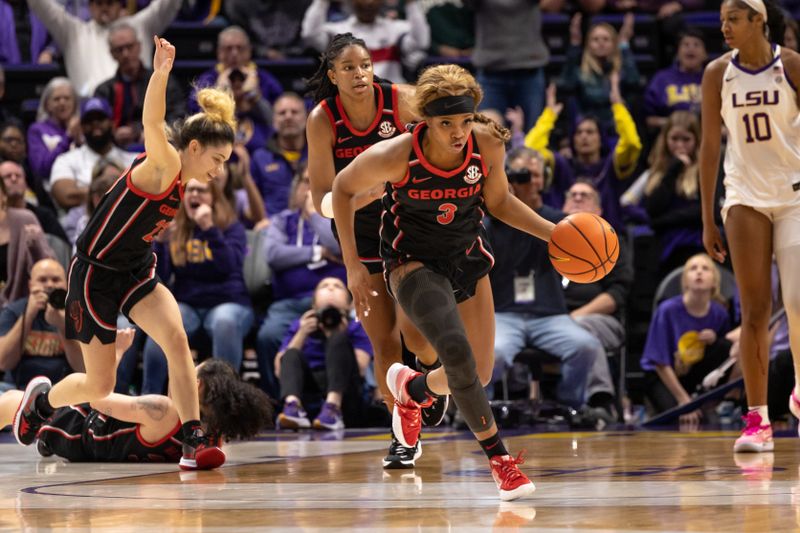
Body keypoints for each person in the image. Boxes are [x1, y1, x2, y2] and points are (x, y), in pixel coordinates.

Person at [11, 36, 230, 471]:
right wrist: (161, 74)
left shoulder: (186, 181)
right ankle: (40, 406)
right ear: (193, 148)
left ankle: (192, 438)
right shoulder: (164, 162)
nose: (219, 170)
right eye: (217, 159)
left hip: (134, 270)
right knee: (99, 381)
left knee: (177, 340)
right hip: (93, 275)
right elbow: (153, 120)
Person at [332, 63, 548, 501]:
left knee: (478, 372)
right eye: (446, 123)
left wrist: (555, 232)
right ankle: (501, 462)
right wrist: (353, 264)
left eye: (465, 121)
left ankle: (411, 389)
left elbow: (501, 202)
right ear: (425, 120)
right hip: (411, 261)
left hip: (466, 257)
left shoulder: (486, 144)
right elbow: (340, 189)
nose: (457, 132)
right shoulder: (397, 154)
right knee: (455, 353)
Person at [305, 33, 435, 469]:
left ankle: (434, 385)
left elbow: (448, 132)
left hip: (408, 229)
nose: (359, 74)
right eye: (348, 68)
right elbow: (322, 201)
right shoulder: (323, 119)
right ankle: (402, 433)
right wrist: (352, 265)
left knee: (414, 333)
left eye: (364, 65)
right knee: (383, 342)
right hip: (358, 237)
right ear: (333, 75)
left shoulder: (401, 100)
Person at [699, 0, 800, 453]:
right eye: (721, 19)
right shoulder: (717, 74)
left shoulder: (792, 65)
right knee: (755, 308)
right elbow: (708, 148)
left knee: (797, 300)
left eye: (733, 18)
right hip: (743, 195)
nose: (724, 27)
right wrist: (707, 215)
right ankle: (758, 420)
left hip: (794, 191)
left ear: (759, 20)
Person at [489, 155, 617, 420]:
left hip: (549, 315)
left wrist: (531, 204)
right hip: (504, 315)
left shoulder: (558, 221)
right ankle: (478, 412)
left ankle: (570, 408)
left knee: (586, 346)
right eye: (521, 176)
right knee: (493, 353)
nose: (528, 182)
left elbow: (583, 243)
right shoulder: (491, 222)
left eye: (534, 176)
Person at [1, 346, 273, 462]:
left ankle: (43, 422)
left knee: (19, 402)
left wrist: (116, 355)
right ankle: (45, 439)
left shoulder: (164, 410)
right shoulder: (211, 440)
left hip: (80, 432)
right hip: (94, 448)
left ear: (197, 384)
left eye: (190, 370)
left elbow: (98, 397)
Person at [141, 177, 253, 394]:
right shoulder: (176, 230)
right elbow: (160, 277)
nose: (194, 195)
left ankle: (223, 400)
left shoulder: (231, 227)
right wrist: (161, 245)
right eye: (189, 190)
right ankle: (150, 398)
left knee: (225, 322)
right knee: (163, 323)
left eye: (201, 190)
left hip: (229, 301)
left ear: (213, 198)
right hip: (188, 304)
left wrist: (209, 229)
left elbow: (229, 266)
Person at [255, 165, 345, 400]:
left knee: (345, 334)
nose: (310, 189)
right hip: (289, 302)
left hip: (334, 300)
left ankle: (339, 403)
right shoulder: (282, 221)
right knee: (268, 336)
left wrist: (315, 214)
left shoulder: (340, 220)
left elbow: (337, 247)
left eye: (317, 184)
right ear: (295, 189)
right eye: (306, 182)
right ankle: (277, 401)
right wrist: (317, 252)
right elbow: (274, 255)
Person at [640, 254, 733, 424]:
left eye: (705, 269)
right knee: (679, 419)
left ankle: (714, 405)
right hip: (662, 376)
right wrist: (684, 401)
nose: (699, 272)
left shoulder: (720, 313)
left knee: (724, 345)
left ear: (714, 282)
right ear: (685, 281)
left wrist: (715, 340)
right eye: (693, 268)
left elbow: (724, 358)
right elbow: (660, 363)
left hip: (695, 375)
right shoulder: (667, 310)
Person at [275, 277, 373, 431]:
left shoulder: (355, 326)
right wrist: (301, 333)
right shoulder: (301, 324)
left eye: (338, 286)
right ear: (314, 303)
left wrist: (337, 335)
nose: (331, 289)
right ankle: (293, 407)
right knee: (291, 352)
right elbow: (280, 367)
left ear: (349, 304)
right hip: (310, 387)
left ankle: (332, 408)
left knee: (338, 339)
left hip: (346, 394)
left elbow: (361, 368)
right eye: (324, 286)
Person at [27, 0, 183, 96]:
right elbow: (41, 6)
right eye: (99, 3)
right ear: (90, 6)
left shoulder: (139, 26)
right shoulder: (74, 32)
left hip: (139, 105)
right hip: (91, 112)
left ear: (119, 5)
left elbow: (168, 4)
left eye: (109, 2)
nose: (104, 8)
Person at [94, 21, 186, 149]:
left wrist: (153, 132)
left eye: (129, 47)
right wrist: (112, 133)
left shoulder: (165, 81)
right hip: (115, 151)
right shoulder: (103, 90)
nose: (125, 54)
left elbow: (178, 117)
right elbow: (96, 124)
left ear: (139, 46)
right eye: (119, 49)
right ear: (112, 54)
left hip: (158, 148)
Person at [0, 258, 84, 389]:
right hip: (15, 387)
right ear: (30, 285)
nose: (49, 285)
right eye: (42, 280)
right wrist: (28, 315)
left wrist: (63, 325)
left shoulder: (77, 314)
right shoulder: (13, 311)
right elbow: (3, 363)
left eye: (56, 280)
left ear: (67, 284)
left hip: (62, 388)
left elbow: (83, 368)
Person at [301, 0, 430, 83]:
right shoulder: (337, 31)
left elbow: (421, 42)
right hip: (353, 96)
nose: (368, 3)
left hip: (392, 96)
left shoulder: (396, 29)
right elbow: (310, 35)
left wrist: (411, 3)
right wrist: (322, 2)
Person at [49, 96, 137, 209]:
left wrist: (93, 192)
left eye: (100, 118)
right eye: (89, 120)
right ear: (81, 127)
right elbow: (66, 196)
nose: (95, 123)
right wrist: (122, 191)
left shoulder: (133, 159)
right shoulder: (65, 160)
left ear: (112, 123)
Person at [250, 92, 308, 217]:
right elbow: (252, 205)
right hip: (272, 228)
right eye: (282, 113)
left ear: (306, 117)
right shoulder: (260, 158)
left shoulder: (319, 152)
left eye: (294, 112)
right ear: (274, 120)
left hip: (313, 225)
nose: (288, 117)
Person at [0, 178, 54, 307]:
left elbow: (49, 265)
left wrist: (35, 246)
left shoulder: (25, 219)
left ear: (4, 196)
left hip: (26, 302)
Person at [643, 28, 707, 133]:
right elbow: (649, 119)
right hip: (670, 137)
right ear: (677, 53)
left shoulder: (715, 79)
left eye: (696, 45)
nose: (691, 48)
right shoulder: (662, 79)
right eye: (686, 44)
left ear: (705, 54)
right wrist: (676, 123)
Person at [26, 77, 81, 184]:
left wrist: (80, 141)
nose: (62, 103)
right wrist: (68, 136)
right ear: (47, 105)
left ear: (74, 103)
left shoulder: (84, 127)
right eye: (56, 99)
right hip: (52, 187)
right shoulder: (37, 130)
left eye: (67, 98)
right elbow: (41, 168)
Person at [0, 161, 68, 244]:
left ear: (26, 183)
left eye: (18, 176)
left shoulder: (44, 216)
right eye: (7, 176)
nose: (14, 179)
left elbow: (63, 249)